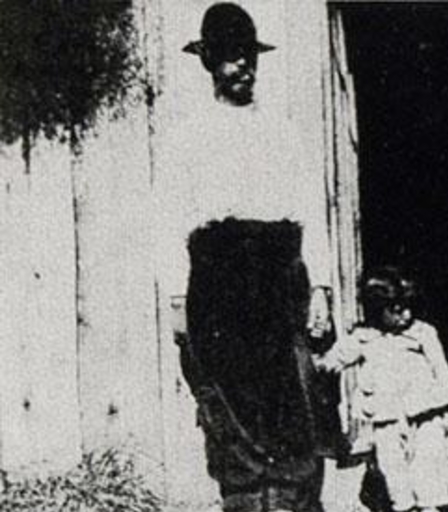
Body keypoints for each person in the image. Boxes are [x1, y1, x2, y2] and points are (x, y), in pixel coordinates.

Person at [168, 4, 333, 511]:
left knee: (293, 403)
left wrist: (321, 286)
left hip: (280, 278)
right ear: (210, 63)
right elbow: (170, 219)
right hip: (219, 279)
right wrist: (177, 296)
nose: (244, 67)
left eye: (249, 57)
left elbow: (310, 211)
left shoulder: (280, 130)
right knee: (232, 407)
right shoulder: (189, 135)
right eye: (231, 58)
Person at [315, 267, 448, 512]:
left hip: (424, 412)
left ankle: (430, 505)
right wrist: (321, 363)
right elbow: (336, 358)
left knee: (428, 463)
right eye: (395, 310)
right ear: (376, 309)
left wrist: (446, 406)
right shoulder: (364, 337)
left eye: (408, 307)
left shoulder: (423, 333)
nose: (405, 315)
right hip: (385, 416)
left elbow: (440, 370)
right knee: (393, 467)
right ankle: (404, 506)